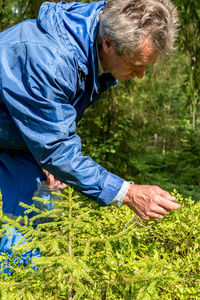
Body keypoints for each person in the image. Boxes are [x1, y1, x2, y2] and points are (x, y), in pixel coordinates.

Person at [0, 0, 180, 273]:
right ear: (109, 44)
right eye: (135, 65)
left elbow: (54, 128)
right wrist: (128, 193)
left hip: (15, 139)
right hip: (11, 138)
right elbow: (57, 149)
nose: (141, 75)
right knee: (19, 237)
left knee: (41, 213)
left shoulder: (92, 39)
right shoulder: (49, 60)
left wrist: (49, 157)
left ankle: (29, 281)